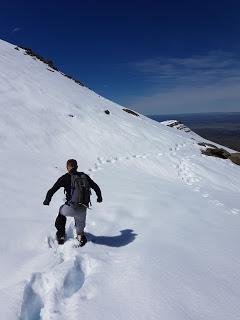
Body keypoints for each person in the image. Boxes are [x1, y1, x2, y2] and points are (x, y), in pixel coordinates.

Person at [43, 159, 102, 245]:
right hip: (83, 209)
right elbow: (96, 187)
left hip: (71, 208)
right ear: (77, 167)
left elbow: (52, 190)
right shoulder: (84, 176)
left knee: (61, 212)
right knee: (80, 229)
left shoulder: (65, 177)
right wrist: (99, 197)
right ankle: (80, 237)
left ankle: (61, 235)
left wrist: (47, 200)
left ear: (67, 167)